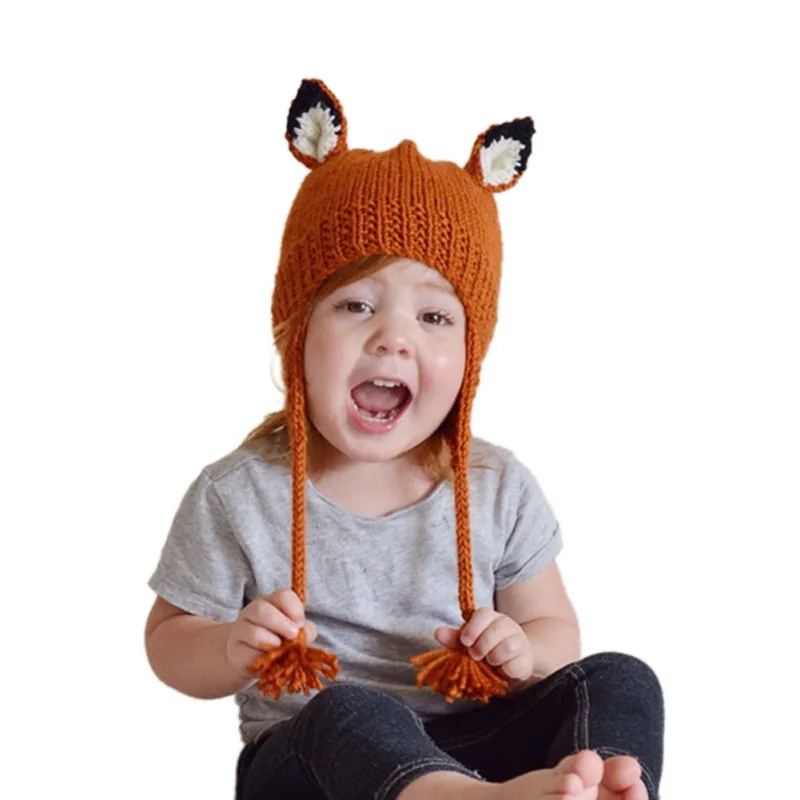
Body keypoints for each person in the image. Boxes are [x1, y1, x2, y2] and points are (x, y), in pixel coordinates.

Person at [144, 78, 665, 800]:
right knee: (350, 709)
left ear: (470, 354)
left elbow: (554, 629)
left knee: (619, 678)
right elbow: (168, 641)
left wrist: (522, 650)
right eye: (356, 305)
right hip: (314, 763)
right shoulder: (240, 493)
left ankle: (600, 785)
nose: (392, 338)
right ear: (296, 332)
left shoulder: (496, 487)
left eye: (434, 317)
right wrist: (230, 647)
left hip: (475, 745)